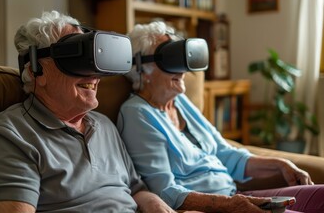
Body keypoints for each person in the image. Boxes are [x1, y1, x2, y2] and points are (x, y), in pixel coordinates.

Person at [0, 11, 178, 213]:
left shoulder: (104, 125)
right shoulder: (13, 135)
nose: (94, 75)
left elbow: (135, 188)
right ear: (37, 70)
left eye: (94, 59)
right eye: (77, 60)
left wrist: (154, 203)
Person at [117, 21, 324, 213]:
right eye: (171, 58)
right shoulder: (137, 113)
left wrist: (280, 164)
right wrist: (229, 205)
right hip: (218, 207)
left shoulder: (180, 101)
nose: (183, 69)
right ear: (142, 67)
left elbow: (225, 154)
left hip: (237, 196)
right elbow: (165, 191)